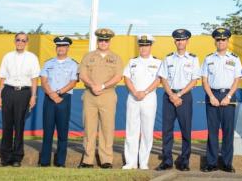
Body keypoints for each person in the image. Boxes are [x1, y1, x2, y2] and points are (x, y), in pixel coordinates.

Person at [78, 28, 123, 168]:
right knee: (89, 128)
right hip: (90, 95)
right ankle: (87, 160)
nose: (103, 42)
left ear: (110, 41)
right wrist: (92, 85)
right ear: (98, 41)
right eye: (101, 40)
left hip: (108, 95)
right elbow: (82, 75)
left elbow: (118, 76)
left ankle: (106, 160)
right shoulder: (88, 56)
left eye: (106, 40)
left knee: (107, 128)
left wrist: (102, 86)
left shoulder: (116, 58)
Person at [157, 28, 201, 171]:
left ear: (187, 41)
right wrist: (171, 95)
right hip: (169, 96)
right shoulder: (168, 58)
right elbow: (163, 78)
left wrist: (179, 95)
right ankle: (167, 160)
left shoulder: (193, 59)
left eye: (183, 39)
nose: (180, 42)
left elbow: (194, 80)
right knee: (167, 130)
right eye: (178, 39)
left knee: (185, 130)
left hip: (184, 96)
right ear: (174, 41)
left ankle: (184, 160)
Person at [200, 27, 242, 173]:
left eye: (223, 39)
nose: (221, 42)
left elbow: (237, 80)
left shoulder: (234, 59)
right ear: (215, 41)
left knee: (228, 131)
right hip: (212, 96)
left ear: (228, 41)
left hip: (228, 97)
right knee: (212, 132)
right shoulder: (208, 59)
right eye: (218, 39)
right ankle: (211, 163)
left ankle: (226, 163)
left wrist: (229, 96)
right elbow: (204, 80)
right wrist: (211, 96)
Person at [0, 32, 40, 167]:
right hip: (8, 91)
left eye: (23, 40)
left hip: (24, 92)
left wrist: (33, 96)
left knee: (19, 125)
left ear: (27, 42)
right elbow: (3, 77)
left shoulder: (32, 57)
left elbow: (34, 79)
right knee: (7, 125)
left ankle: (17, 158)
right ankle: (5, 157)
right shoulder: (7, 57)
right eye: (18, 40)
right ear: (14, 41)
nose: (20, 42)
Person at [38, 36, 79, 168]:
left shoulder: (73, 64)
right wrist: (51, 94)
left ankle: (60, 161)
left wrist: (59, 93)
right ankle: (44, 161)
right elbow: (43, 81)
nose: (61, 48)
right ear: (56, 47)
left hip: (64, 99)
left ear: (68, 48)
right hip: (49, 99)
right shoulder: (48, 63)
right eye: (59, 46)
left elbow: (73, 82)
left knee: (62, 131)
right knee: (48, 130)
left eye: (63, 46)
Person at [123, 35, 161, 170]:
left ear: (151, 46)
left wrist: (144, 92)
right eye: (141, 45)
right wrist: (135, 92)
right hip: (133, 98)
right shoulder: (132, 61)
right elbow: (126, 78)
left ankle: (143, 162)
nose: (143, 48)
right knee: (131, 131)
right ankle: (130, 162)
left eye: (146, 45)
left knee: (147, 131)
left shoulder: (158, 62)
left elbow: (158, 80)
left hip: (149, 99)